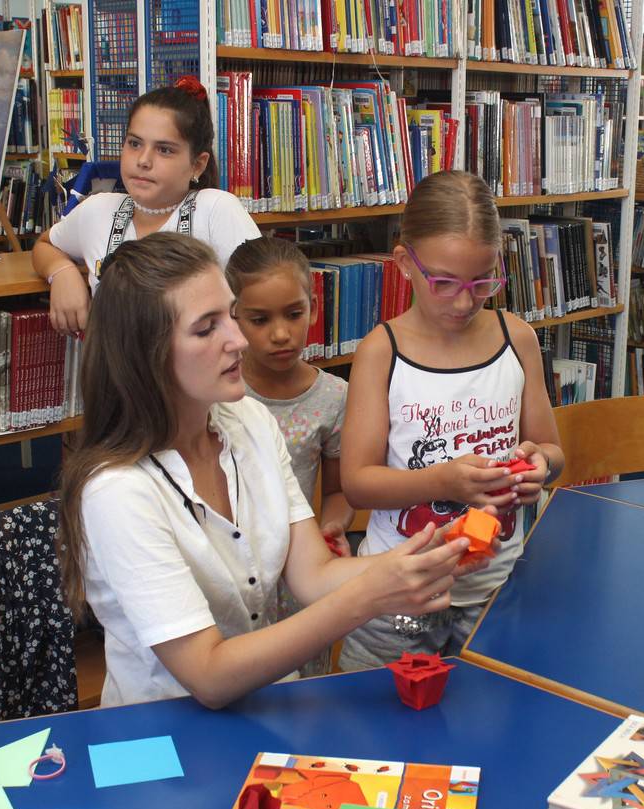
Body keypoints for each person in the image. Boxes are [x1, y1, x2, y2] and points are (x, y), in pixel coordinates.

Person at [58, 231, 485, 709]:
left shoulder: (250, 422)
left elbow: (314, 575)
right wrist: (370, 595)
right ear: (146, 354)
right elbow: (208, 675)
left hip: (264, 706)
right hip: (165, 730)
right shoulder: (117, 492)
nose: (239, 340)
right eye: (207, 328)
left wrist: (427, 558)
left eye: (230, 315)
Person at [338, 170, 565, 670]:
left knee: (492, 704)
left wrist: (539, 467)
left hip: (495, 586)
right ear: (405, 264)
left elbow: (552, 452)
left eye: (482, 283)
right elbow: (357, 483)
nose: (464, 302)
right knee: (376, 706)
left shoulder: (517, 339)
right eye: (443, 283)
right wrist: (443, 481)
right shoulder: (382, 351)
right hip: (401, 589)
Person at [33, 77, 260, 335]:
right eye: (134, 143)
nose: (143, 160)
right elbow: (45, 245)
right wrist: (61, 272)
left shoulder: (216, 210)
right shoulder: (97, 210)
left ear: (197, 165)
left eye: (164, 150)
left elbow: (265, 301)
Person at [226, 236, 354, 675]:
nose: (280, 334)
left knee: (302, 683)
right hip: (234, 575)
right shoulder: (220, 394)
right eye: (259, 319)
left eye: (294, 314)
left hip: (300, 571)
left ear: (314, 309)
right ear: (232, 316)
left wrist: (332, 527)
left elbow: (338, 491)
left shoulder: (333, 397)